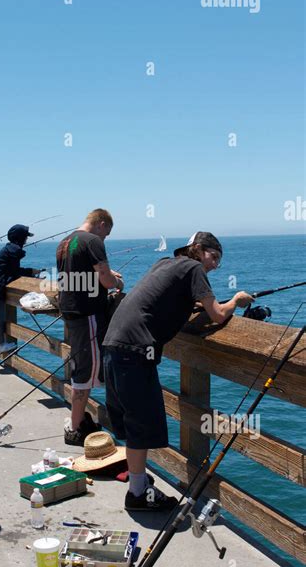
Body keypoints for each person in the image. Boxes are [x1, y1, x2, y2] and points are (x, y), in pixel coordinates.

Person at [103, 231, 254, 512]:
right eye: (213, 257)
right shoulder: (194, 268)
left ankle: (137, 482)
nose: (214, 265)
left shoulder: (164, 263)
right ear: (197, 249)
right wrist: (237, 300)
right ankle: (137, 494)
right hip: (135, 350)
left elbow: (164, 299)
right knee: (141, 425)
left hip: (114, 344)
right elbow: (218, 314)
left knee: (133, 421)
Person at [56, 209, 124, 445]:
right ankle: (75, 429)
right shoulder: (93, 241)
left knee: (81, 366)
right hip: (88, 315)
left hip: (70, 310)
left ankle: (76, 420)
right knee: (86, 373)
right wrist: (117, 282)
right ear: (102, 224)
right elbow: (105, 279)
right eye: (107, 234)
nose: (104, 239)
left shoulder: (64, 242)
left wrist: (103, 276)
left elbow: (76, 275)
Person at [0, 224, 41, 356]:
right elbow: (15, 272)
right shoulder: (14, 250)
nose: (26, 240)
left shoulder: (8, 248)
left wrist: (28, 271)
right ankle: (0, 345)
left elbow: (10, 270)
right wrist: (31, 271)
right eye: (25, 237)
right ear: (21, 238)